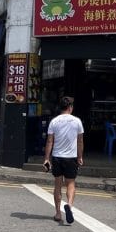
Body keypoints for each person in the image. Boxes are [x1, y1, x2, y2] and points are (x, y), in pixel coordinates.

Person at [43, 96, 84, 224]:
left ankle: (58, 213)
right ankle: (69, 206)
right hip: (71, 158)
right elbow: (80, 141)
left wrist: (46, 158)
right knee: (70, 184)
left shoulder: (54, 122)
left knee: (57, 185)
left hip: (57, 157)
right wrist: (80, 157)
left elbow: (50, 141)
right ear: (70, 107)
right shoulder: (77, 121)